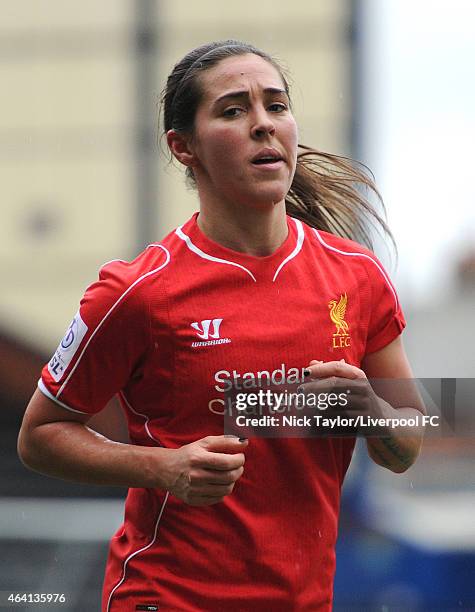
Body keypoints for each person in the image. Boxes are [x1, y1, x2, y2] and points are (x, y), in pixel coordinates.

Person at [18, 40, 425, 611]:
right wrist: (165, 468)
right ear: (184, 148)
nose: (263, 124)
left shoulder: (358, 277)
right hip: (167, 597)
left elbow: (406, 445)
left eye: (276, 106)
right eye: (233, 110)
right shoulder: (137, 291)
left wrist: (368, 406)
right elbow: (39, 437)